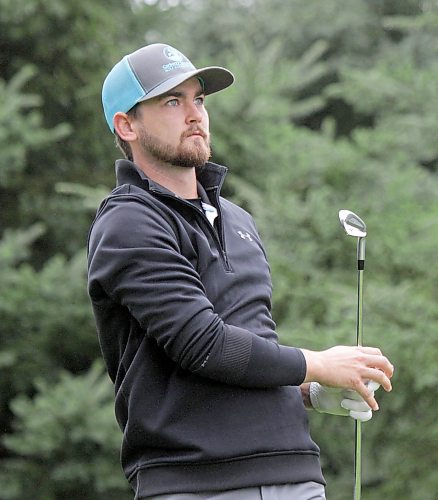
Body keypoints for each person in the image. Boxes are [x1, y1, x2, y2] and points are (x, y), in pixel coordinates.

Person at [87, 43, 394, 500]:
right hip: (196, 482)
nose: (194, 114)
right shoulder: (128, 221)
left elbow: (252, 346)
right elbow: (203, 344)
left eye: (199, 99)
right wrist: (319, 364)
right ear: (126, 125)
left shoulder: (238, 220)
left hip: (296, 471)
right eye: (172, 101)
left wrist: (309, 391)